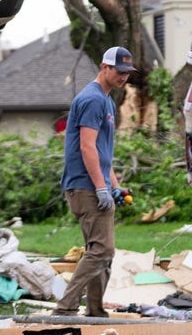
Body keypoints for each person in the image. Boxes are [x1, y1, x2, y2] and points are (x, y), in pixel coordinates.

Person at [53, 46, 135, 317]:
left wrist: (114, 186)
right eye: (119, 71)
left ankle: (95, 311)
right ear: (104, 67)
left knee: (99, 251)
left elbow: (102, 154)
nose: (123, 77)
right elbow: (87, 147)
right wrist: (101, 187)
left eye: (127, 73)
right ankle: (65, 308)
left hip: (92, 184)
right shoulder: (92, 99)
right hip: (86, 186)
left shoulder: (106, 100)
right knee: (102, 250)